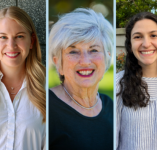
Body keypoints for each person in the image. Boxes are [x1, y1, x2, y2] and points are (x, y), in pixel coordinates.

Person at [0, 6, 46, 150]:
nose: (11, 46)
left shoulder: (48, 87)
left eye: (20, 36)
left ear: (32, 41)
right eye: (3, 37)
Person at [49, 8, 113, 150]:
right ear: (58, 63)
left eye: (94, 50)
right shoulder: (45, 109)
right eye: (73, 51)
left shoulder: (112, 107)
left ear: (107, 58)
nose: (85, 61)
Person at [116, 12, 157, 150]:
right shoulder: (117, 85)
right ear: (130, 45)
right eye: (138, 37)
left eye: (153, 35)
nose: (146, 44)